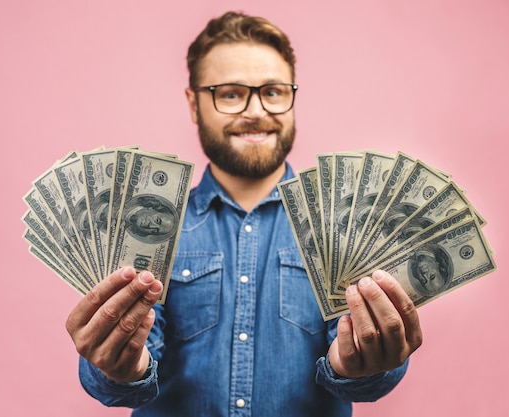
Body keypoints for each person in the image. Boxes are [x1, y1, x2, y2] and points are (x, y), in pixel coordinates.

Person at [65, 11, 423, 417]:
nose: (255, 111)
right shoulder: (147, 225)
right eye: (231, 93)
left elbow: (367, 376)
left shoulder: (343, 225)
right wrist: (119, 368)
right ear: (194, 104)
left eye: (273, 91)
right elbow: (118, 381)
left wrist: (362, 365)